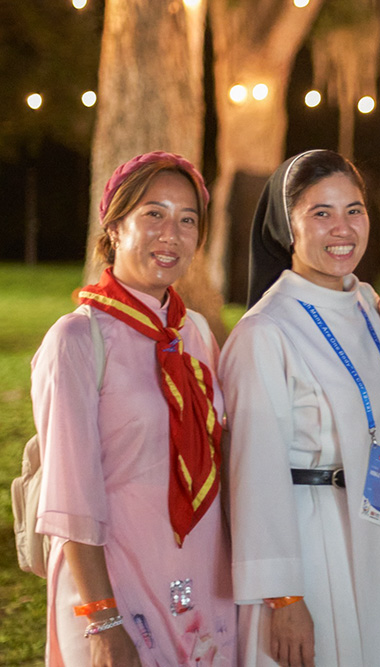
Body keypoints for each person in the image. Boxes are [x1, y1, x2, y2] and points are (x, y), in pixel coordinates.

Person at [31, 152, 236, 665]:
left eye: (188, 220)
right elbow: (71, 496)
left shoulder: (194, 334)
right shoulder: (77, 340)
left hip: (200, 583)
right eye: (154, 214)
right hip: (118, 588)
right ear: (115, 226)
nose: (172, 233)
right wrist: (103, 620)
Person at [220, 150, 380, 666]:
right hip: (311, 545)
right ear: (288, 227)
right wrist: (284, 597)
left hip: (377, 531)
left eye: (354, 209)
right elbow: (252, 474)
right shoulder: (265, 332)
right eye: (320, 213)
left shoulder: (369, 304)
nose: (342, 228)